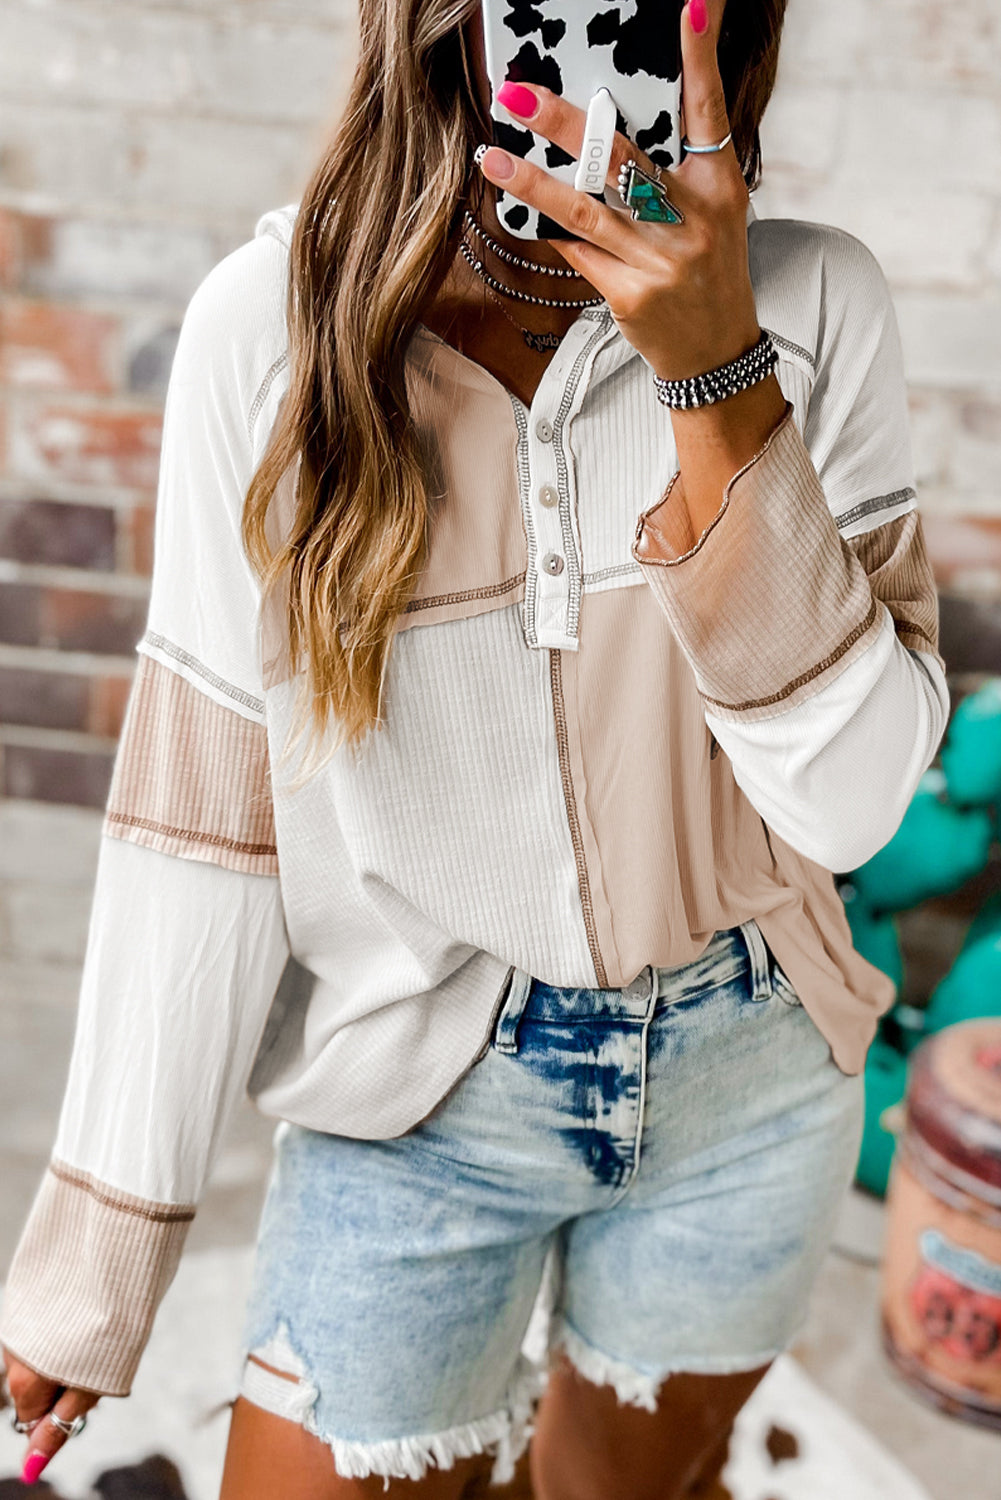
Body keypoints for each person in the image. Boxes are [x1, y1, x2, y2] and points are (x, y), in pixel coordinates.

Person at [1, 0, 948, 1495]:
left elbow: (845, 808)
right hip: (419, 1095)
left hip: (748, 1075)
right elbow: (206, 821)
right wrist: (104, 1245)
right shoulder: (271, 331)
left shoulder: (817, 306)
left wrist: (719, 386)